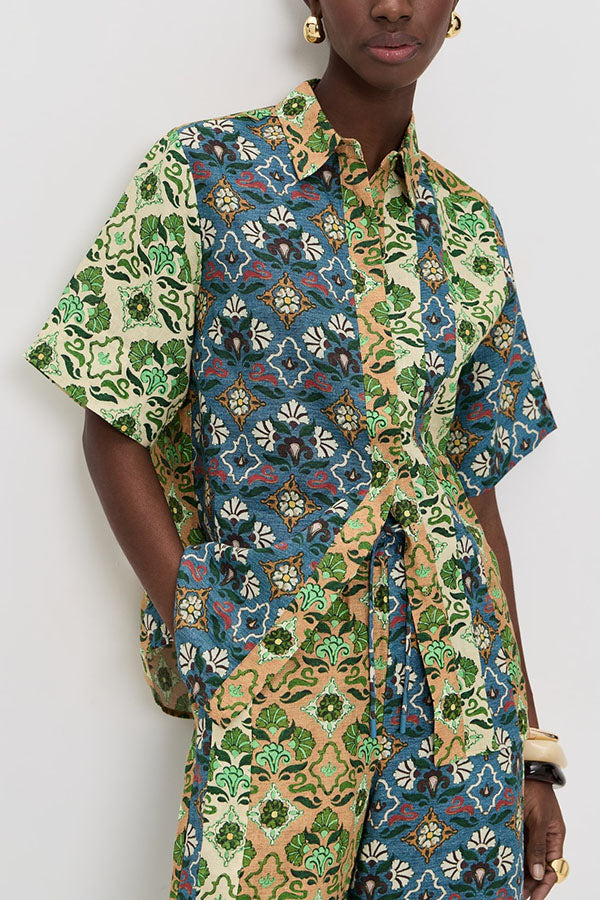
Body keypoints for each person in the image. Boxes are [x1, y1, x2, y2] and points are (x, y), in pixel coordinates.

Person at [24, 1, 569, 898]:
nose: (392, 4)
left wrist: (531, 747)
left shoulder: (468, 228)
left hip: (457, 705)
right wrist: (213, 637)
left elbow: (474, 494)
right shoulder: (204, 172)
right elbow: (113, 424)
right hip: (277, 681)